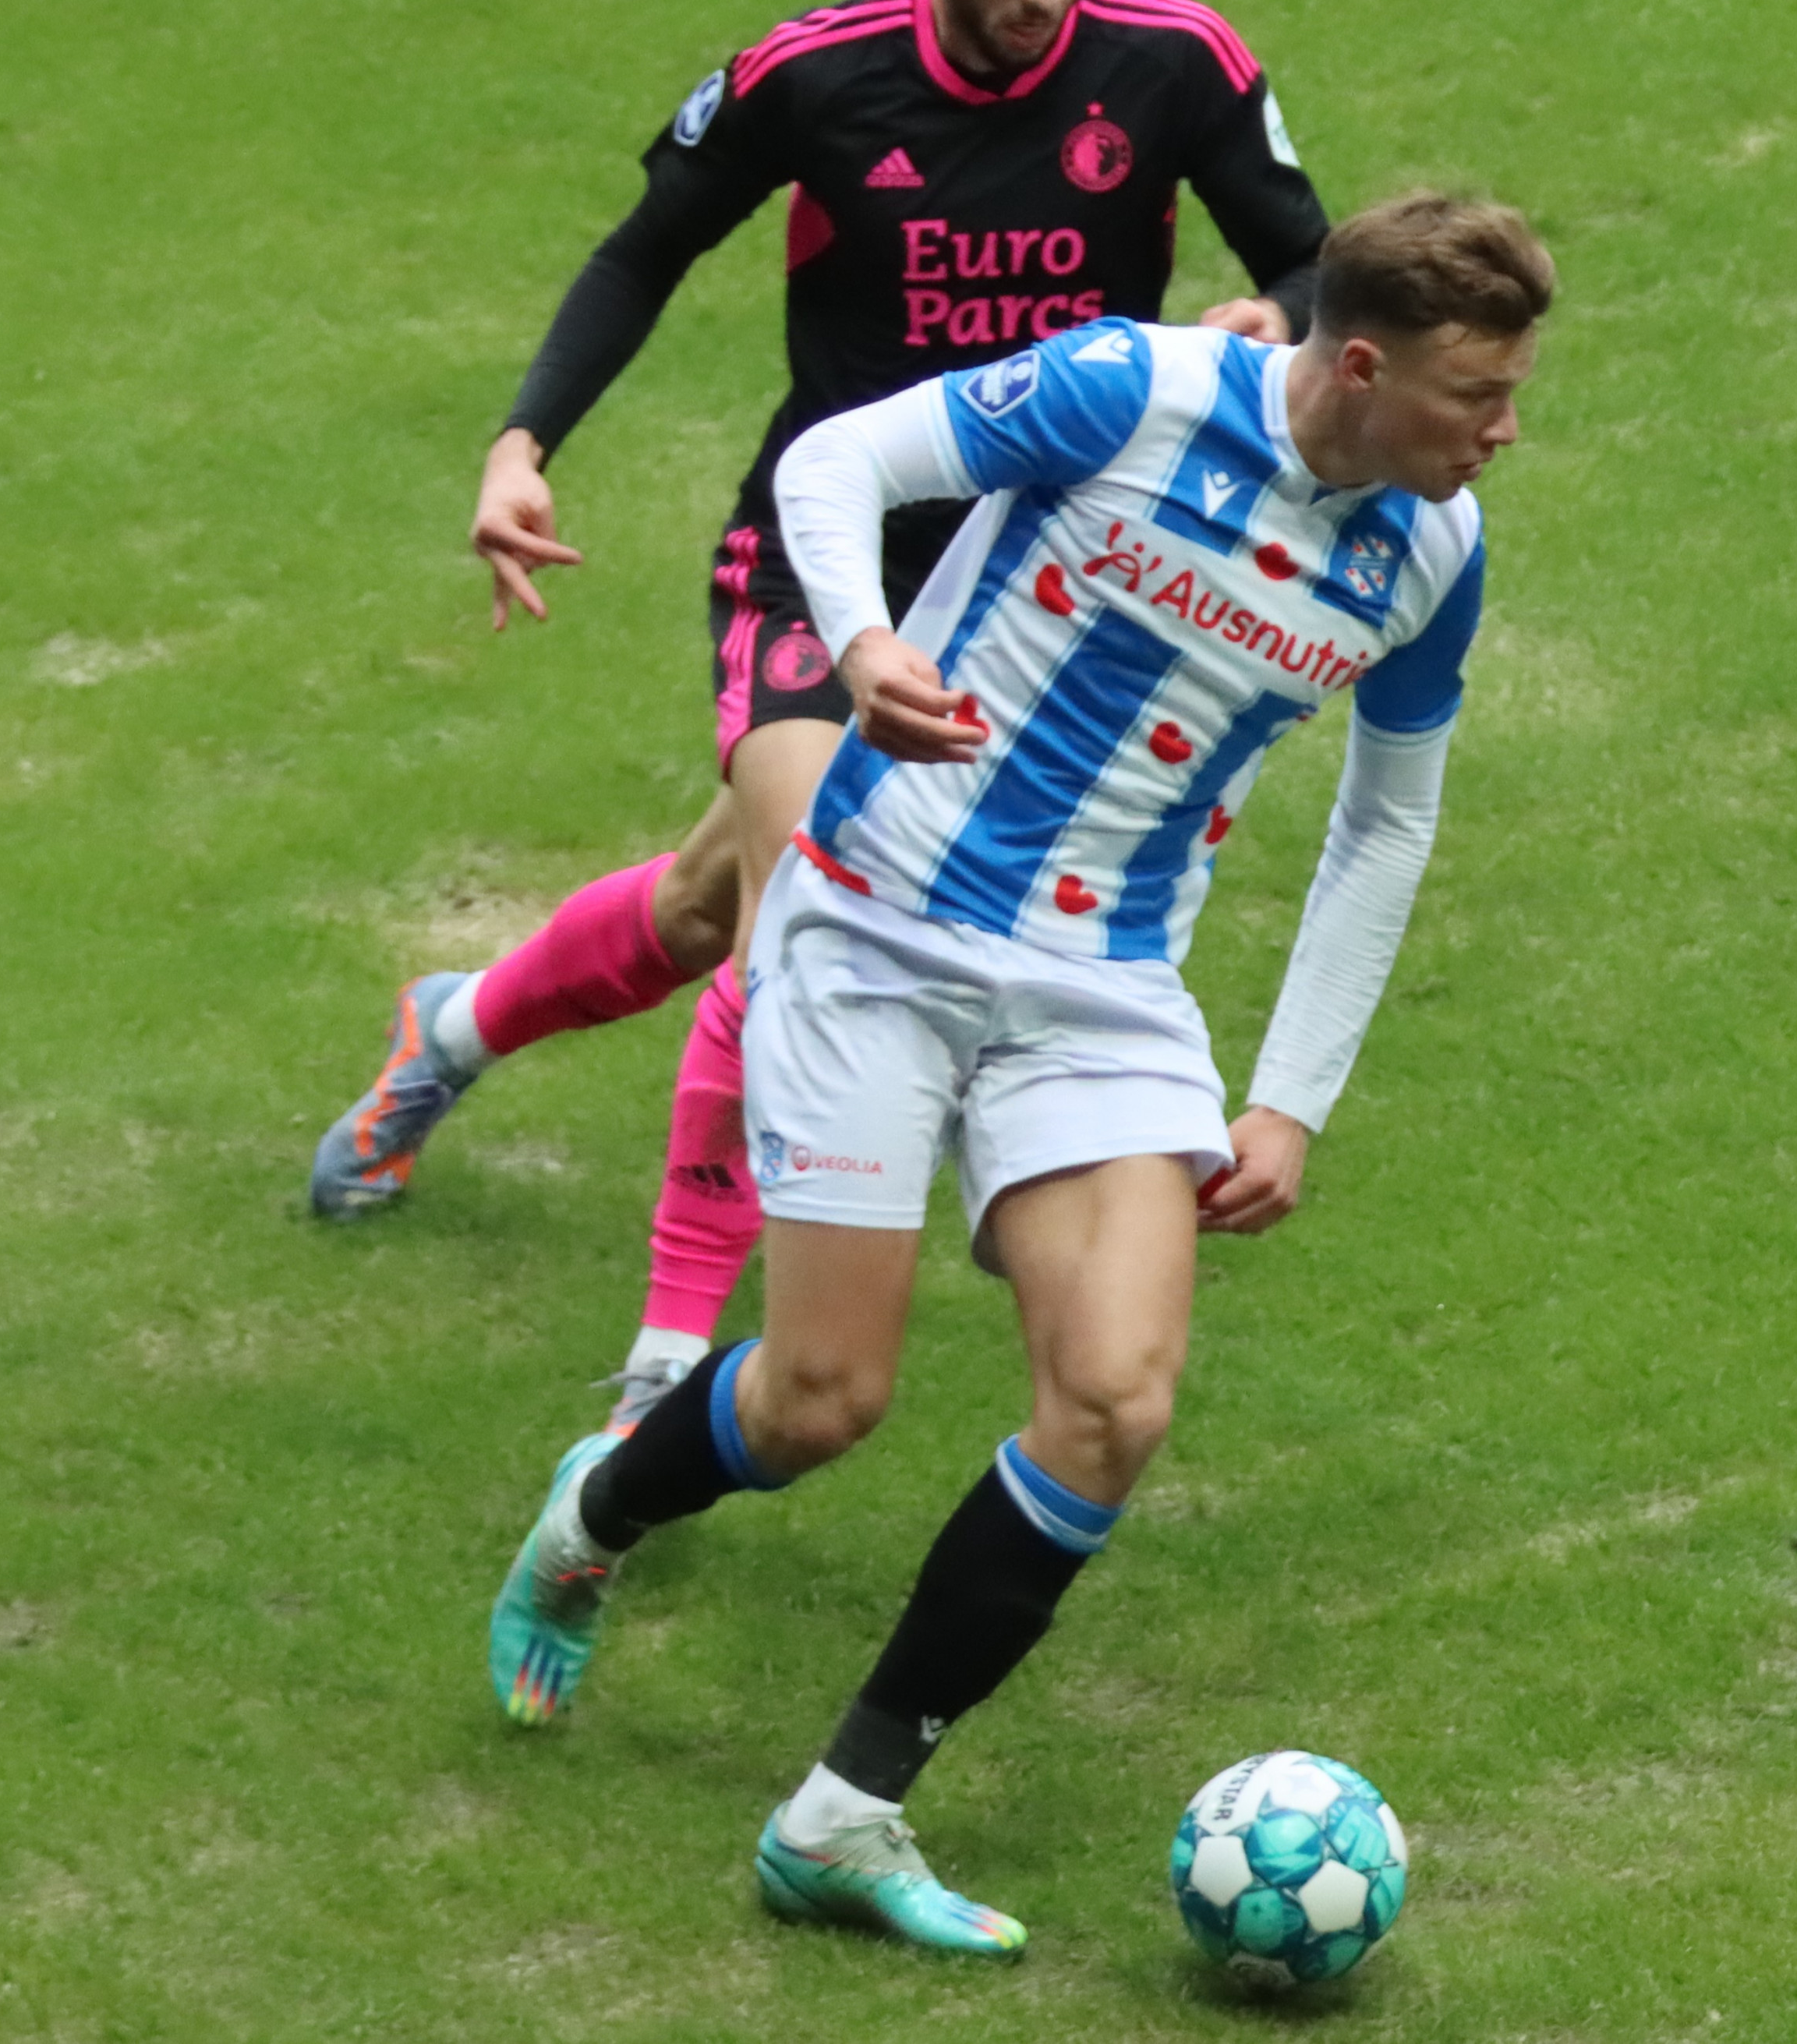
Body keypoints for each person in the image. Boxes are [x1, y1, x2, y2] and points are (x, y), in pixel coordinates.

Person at [486, 193, 1553, 1957]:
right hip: (886, 915)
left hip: (1103, 983)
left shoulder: (1430, 553)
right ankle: (594, 1513)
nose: (1505, 430)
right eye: (1477, 396)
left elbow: (1390, 817)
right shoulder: (1130, 393)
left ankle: (841, 1815)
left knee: (1118, 1401)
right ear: (1360, 366)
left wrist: (1292, 1093)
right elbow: (837, 464)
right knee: (825, 1397)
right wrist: (862, 640)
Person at [306, 0, 1332, 1435]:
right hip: (831, 558)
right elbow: (646, 248)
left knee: (713, 903)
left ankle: (460, 1024)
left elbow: (1315, 261)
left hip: (1049, 601)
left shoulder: (1177, 61)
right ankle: (666, 1360)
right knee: (809, 919)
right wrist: (520, 443)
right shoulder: (818, 75)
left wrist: (1264, 324)